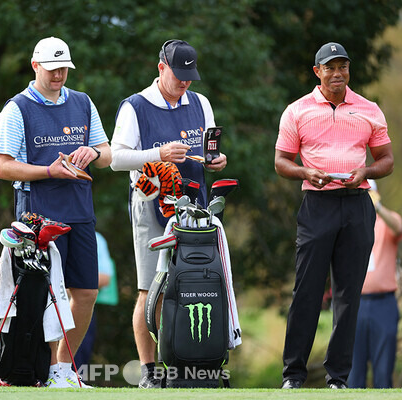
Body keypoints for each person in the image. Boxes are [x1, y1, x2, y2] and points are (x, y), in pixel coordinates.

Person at [0, 36, 111, 388]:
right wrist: (48, 171)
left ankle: (62, 369)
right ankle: (32, 369)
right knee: (37, 297)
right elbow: (2, 167)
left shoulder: (83, 102)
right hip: (38, 216)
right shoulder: (17, 108)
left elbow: (106, 153)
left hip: (79, 210)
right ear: (35, 66)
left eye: (64, 68)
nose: (59, 75)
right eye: (52, 68)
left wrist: (93, 154)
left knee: (86, 292)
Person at [275, 42, 394, 389]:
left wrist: (367, 171)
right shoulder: (297, 111)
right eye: (331, 67)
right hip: (317, 205)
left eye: (343, 66)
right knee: (307, 291)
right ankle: (293, 374)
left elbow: (386, 159)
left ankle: (337, 377)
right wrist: (305, 173)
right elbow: (282, 162)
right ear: (318, 72)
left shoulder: (369, 109)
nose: (338, 73)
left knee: (348, 294)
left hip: (357, 203)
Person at [110, 39, 227, 388]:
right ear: (161, 68)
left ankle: (189, 366)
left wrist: (217, 161)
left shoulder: (200, 103)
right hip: (152, 204)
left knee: (197, 285)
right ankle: (151, 372)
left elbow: (211, 152)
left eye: (190, 76)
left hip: (196, 206)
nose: (185, 82)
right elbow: (116, 158)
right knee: (152, 288)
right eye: (179, 75)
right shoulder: (135, 106)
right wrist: (158, 153)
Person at [348, 180, 402, 388]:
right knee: (354, 373)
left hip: (384, 304)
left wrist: (378, 206)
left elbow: (398, 228)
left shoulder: (387, 222)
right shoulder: (350, 223)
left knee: (382, 372)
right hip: (356, 304)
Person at [74, 231, 119, 370]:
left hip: (81, 308)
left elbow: (105, 277)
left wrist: (70, 287)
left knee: (79, 360)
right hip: (49, 305)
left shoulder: (95, 238)